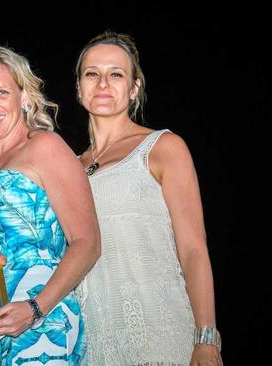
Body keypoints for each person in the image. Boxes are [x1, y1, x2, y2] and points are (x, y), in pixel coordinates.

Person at [0, 46, 101, 365]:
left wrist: (34, 309)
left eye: (1, 92)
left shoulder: (45, 147)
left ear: (24, 97)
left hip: (40, 329)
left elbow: (88, 244)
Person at [74, 31, 223, 365]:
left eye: (116, 74)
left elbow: (193, 249)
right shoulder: (69, 168)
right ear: (79, 87)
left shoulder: (163, 148)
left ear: (134, 88)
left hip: (160, 337)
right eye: (92, 74)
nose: (102, 83)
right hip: (92, 345)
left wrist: (207, 338)